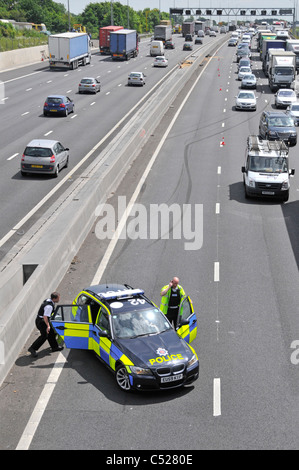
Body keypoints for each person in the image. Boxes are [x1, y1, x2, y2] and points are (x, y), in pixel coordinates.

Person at [28, 292, 64, 358]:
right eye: (58, 298)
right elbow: (45, 317)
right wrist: (48, 326)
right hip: (42, 322)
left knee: (51, 334)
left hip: (41, 320)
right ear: (54, 298)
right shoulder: (49, 306)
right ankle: (32, 348)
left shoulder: (48, 300)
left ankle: (55, 347)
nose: (59, 299)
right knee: (44, 336)